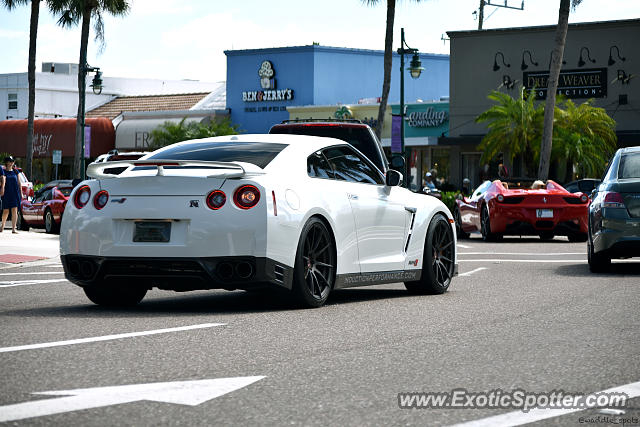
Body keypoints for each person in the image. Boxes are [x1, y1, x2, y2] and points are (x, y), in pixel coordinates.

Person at [1, 156, 22, 233]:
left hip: (15, 192)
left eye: (12, 161)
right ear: (6, 162)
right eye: (10, 161)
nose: (11, 163)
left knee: (14, 210)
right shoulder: (3, 172)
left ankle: (14, 229)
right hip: (6, 192)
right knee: (6, 211)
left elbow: (19, 183)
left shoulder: (16, 172)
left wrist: (21, 193)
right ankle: (2, 225)